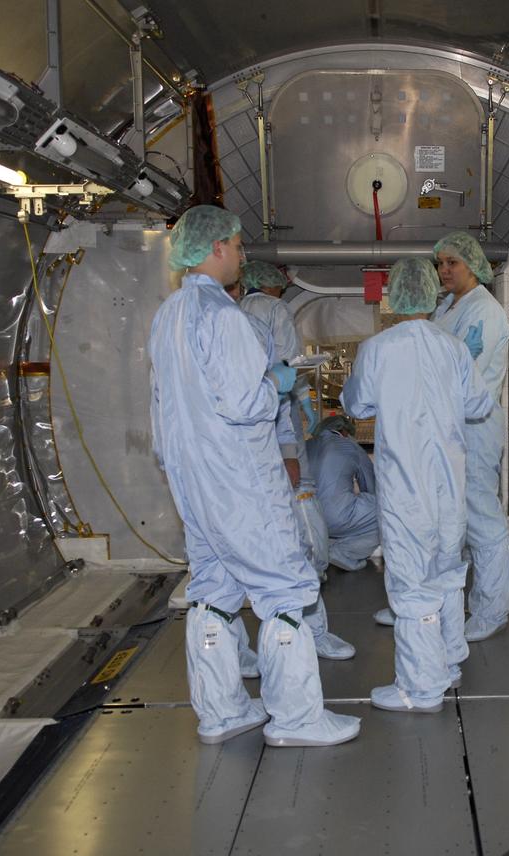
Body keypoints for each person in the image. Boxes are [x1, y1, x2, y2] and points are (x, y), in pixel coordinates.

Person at [148, 204, 360, 748]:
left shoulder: (168, 315)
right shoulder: (223, 317)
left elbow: (162, 406)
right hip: (240, 478)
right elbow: (247, 404)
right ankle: (296, 718)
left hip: (193, 478)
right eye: (238, 246)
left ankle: (221, 713)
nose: (243, 255)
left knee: (213, 589)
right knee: (284, 588)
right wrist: (278, 379)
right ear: (216, 248)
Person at [341, 258, 494, 713]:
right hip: (449, 487)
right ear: (431, 295)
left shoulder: (378, 348)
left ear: (396, 295)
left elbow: (356, 404)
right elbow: (480, 403)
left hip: (406, 488)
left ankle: (420, 688)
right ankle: (448, 659)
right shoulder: (452, 348)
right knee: (447, 575)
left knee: (411, 587)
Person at [371, 232, 509, 643]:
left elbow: (463, 378)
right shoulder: (449, 307)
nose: (444, 271)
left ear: (473, 264)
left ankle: (491, 609)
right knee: (448, 521)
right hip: (445, 430)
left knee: (483, 519)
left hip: (474, 428)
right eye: (440, 264)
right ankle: (422, 603)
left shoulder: (484, 311)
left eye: (453, 262)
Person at [238, 259, 355, 661]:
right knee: (301, 532)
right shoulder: (272, 310)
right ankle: (312, 630)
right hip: (277, 442)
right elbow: (286, 369)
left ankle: (252, 649)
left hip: (245, 453)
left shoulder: (228, 314)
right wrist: (296, 417)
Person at [307, 414, 381, 572]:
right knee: (387, 513)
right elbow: (370, 486)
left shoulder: (306, 445)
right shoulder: (350, 446)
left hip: (308, 518)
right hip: (336, 517)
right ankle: (342, 552)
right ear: (343, 431)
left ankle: (326, 547)